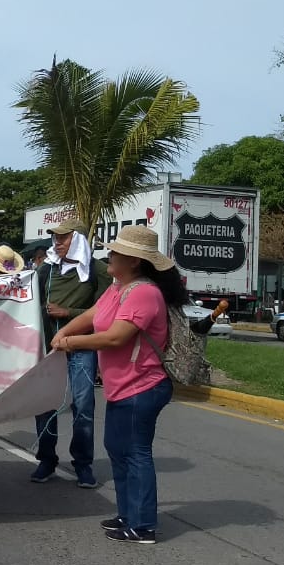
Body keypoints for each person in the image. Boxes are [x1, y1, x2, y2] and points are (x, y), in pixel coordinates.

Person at [50, 224, 185, 544]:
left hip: (143, 387)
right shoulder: (118, 288)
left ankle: (143, 525)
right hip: (122, 386)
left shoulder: (145, 293)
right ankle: (128, 514)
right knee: (117, 449)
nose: (109, 256)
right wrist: (65, 331)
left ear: (135, 260)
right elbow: (93, 316)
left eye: (116, 253)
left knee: (136, 453)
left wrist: (73, 343)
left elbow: (115, 337)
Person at [31, 219, 111, 488]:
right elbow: (28, 298)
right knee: (45, 404)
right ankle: (46, 459)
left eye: (63, 238)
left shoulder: (98, 269)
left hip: (81, 347)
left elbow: (105, 310)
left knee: (84, 406)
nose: (57, 243)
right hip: (50, 348)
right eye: (55, 238)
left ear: (77, 239)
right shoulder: (47, 269)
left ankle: (83, 464)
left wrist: (70, 314)